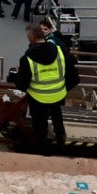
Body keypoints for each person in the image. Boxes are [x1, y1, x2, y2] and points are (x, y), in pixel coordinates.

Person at [11, 22, 69, 153]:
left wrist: (17, 75)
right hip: (58, 93)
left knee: (40, 124)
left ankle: (43, 150)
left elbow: (22, 85)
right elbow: (70, 69)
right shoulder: (59, 50)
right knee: (57, 117)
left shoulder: (27, 58)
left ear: (31, 38)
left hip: (39, 97)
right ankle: (61, 140)